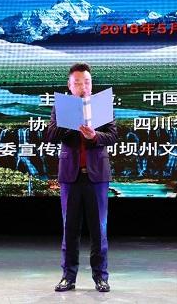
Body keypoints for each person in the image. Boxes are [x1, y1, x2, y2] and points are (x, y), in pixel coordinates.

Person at [44, 63, 118, 293]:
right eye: (77, 83)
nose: (83, 87)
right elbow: (50, 135)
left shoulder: (102, 106)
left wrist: (95, 136)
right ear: (70, 86)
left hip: (97, 176)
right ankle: (68, 277)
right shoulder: (61, 107)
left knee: (99, 229)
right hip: (71, 176)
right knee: (70, 229)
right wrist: (71, 125)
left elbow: (113, 135)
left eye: (87, 82)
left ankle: (101, 277)